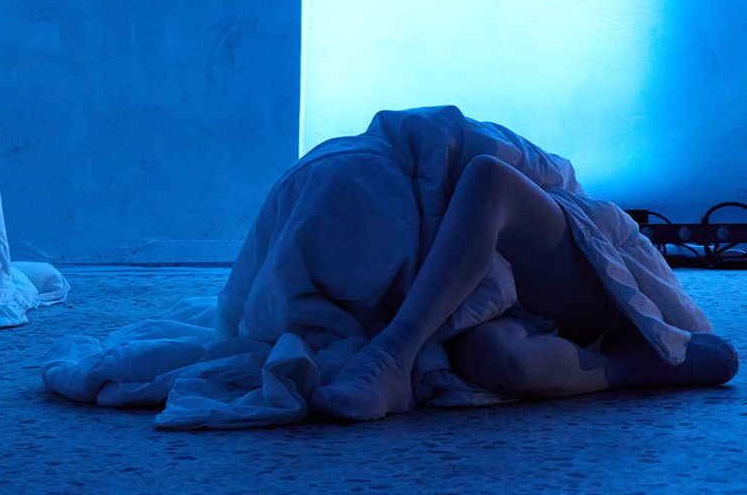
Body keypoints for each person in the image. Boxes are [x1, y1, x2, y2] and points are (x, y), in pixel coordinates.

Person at [311, 152, 739, 421]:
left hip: (540, 260)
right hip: (478, 299)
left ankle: (391, 354)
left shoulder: (406, 150)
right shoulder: (310, 201)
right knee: (499, 362)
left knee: (486, 177)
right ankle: (632, 366)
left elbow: (499, 169)